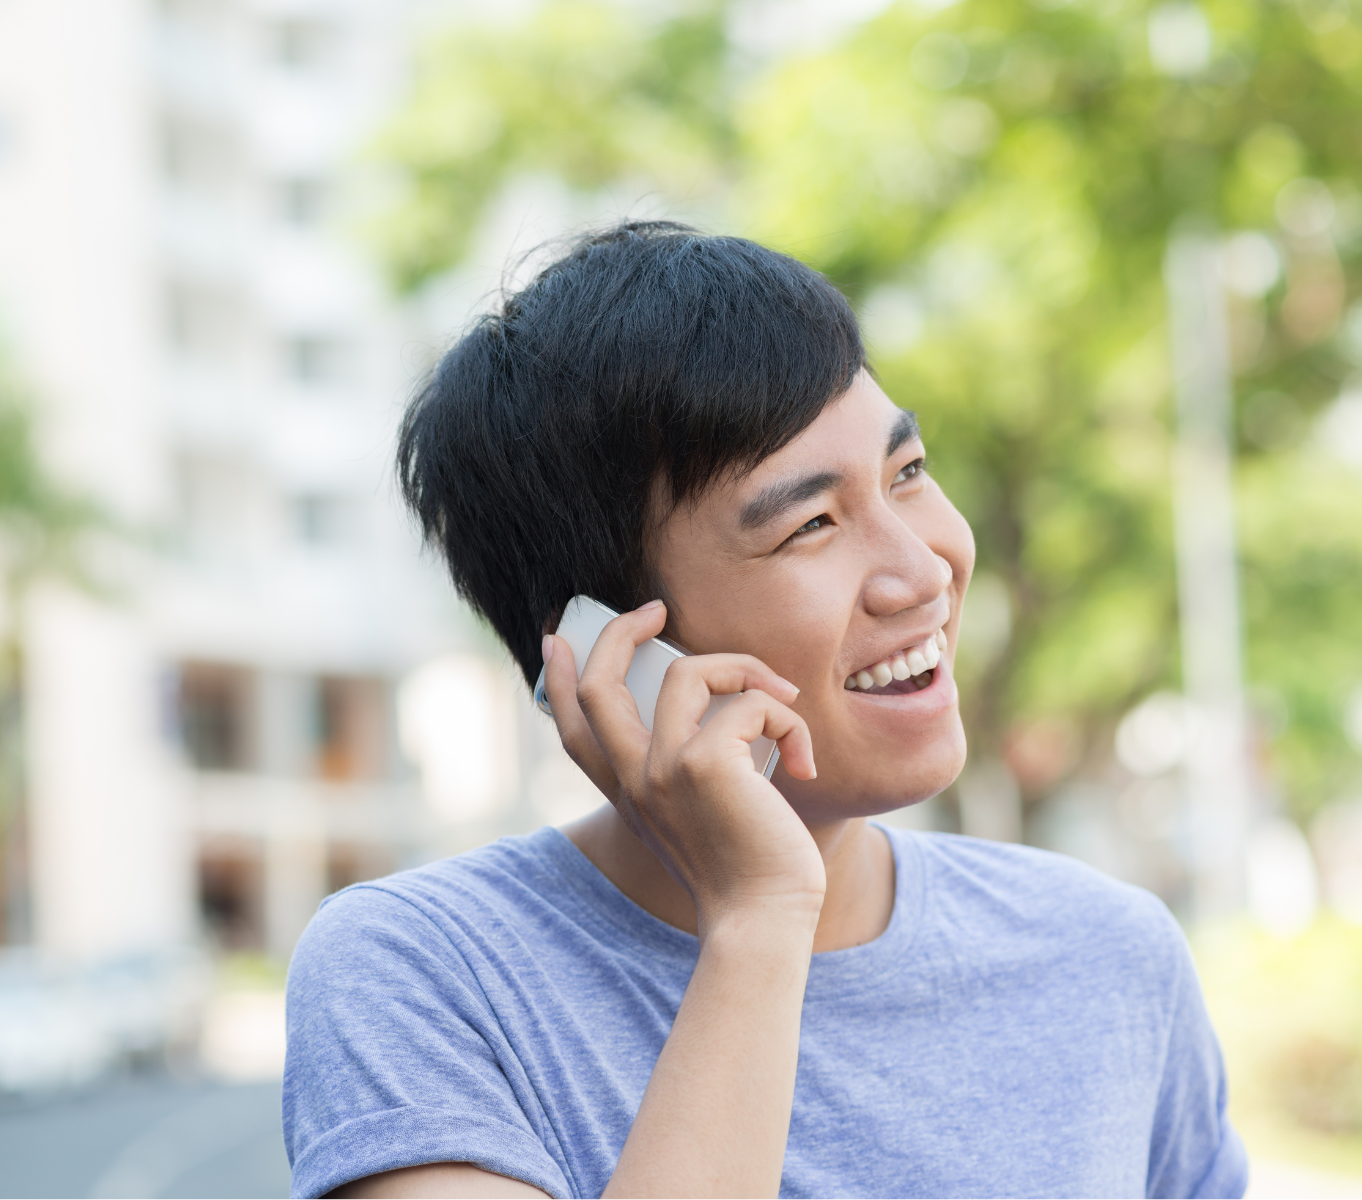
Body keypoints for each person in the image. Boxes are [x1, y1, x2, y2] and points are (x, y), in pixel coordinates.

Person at [281, 222, 1246, 1199]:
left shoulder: (1108, 958)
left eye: (906, 474)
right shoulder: (420, 973)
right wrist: (757, 922)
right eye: (811, 524)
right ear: (605, 649)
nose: (922, 570)